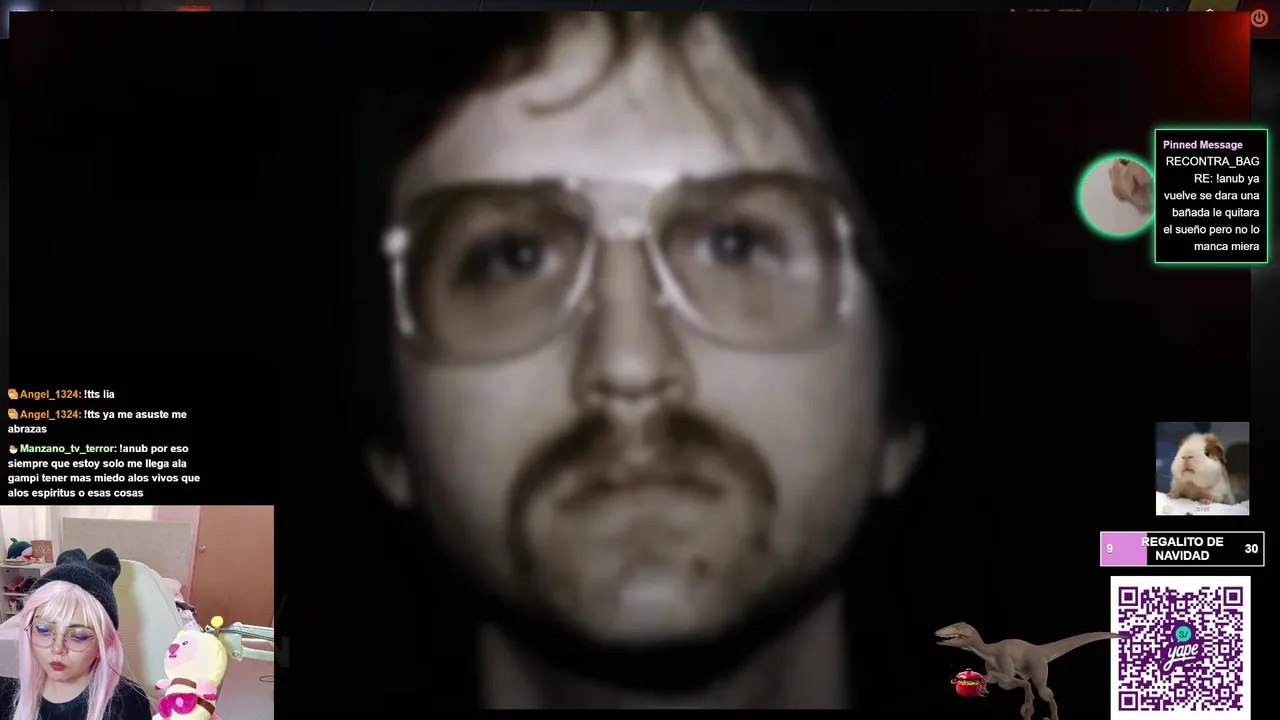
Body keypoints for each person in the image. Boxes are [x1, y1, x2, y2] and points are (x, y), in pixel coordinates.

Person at [361, 13, 924, 709]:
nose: (629, 363)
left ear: (898, 409)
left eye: (735, 245)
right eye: (513, 259)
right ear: (391, 434)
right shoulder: (230, 676)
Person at [0, 549, 151, 720]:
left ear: (103, 643)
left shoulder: (129, 703)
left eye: (78, 636)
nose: (57, 648)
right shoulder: (7, 697)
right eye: (43, 630)